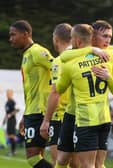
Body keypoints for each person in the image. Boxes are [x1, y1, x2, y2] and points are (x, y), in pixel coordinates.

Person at [58, 20, 113, 167]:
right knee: (64, 159)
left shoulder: (108, 56)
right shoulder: (76, 55)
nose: (108, 40)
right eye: (104, 36)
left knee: (88, 163)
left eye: (110, 37)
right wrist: (91, 50)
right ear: (92, 37)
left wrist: (96, 50)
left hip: (89, 117)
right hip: (73, 114)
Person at [9, 20, 53, 168]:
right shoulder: (27, 54)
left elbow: (58, 68)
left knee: (33, 159)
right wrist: (25, 115)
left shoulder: (38, 52)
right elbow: (31, 89)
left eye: (13, 35)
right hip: (31, 112)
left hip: (40, 112)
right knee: (37, 157)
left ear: (25, 34)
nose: (11, 39)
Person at [47, 23, 73, 167]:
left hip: (61, 117)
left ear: (56, 39)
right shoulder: (81, 58)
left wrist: (46, 120)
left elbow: (55, 93)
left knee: (58, 163)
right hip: (79, 117)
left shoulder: (59, 61)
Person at [3, 89, 19, 156]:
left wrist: (11, 114)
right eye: (7, 93)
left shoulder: (12, 102)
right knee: (9, 135)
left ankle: (13, 150)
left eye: (9, 93)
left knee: (12, 135)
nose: (7, 94)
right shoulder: (7, 102)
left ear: (11, 94)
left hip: (12, 120)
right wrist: (4, 119)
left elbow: (17, 109)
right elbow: (7, 113)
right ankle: (12, 150)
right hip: (9, 121)